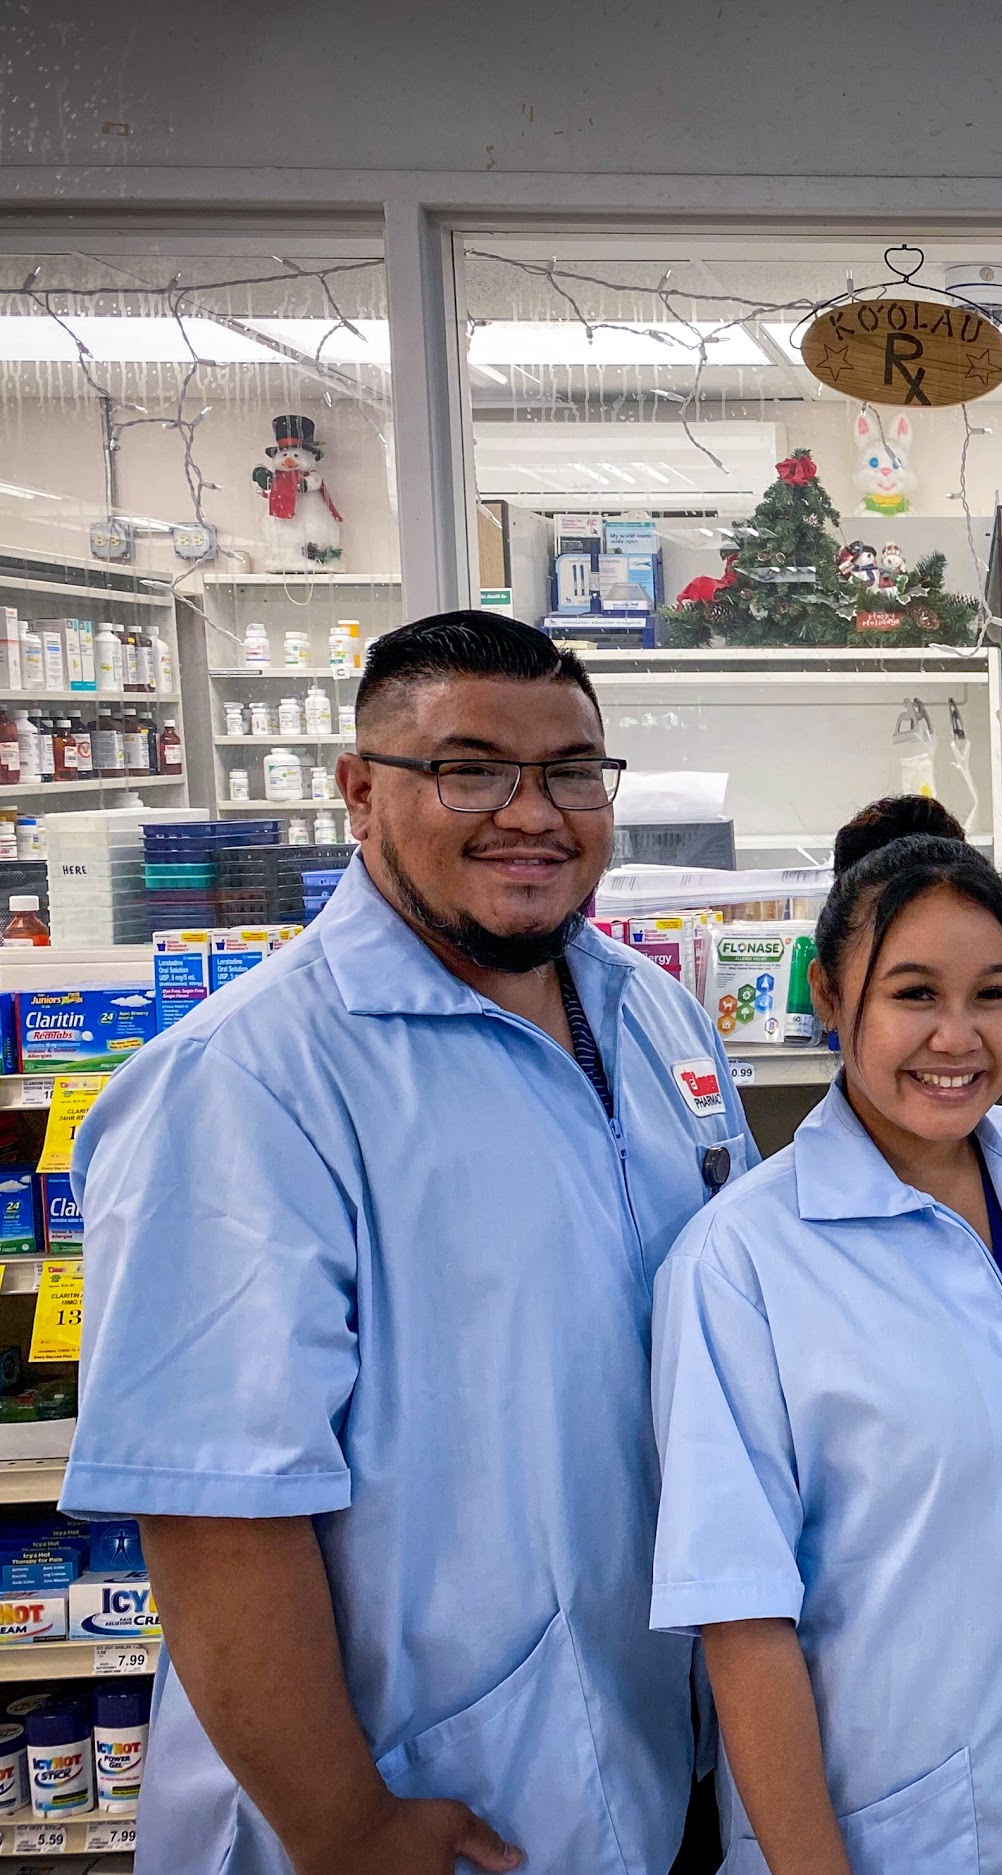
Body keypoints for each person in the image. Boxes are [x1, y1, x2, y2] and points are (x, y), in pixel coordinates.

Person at [61, 610, 757, 1875]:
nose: (533, 812)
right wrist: (346, 1828)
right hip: (404, 1794)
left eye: (571, 771)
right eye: (470, 767)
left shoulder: (653, 1016)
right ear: (359, 794)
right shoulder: (250, 1084)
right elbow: (218, 1513)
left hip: (646, 1746)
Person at [647, 795, 1002, 1875]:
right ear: (832, 999)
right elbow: (739, 1622)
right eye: (913, 995)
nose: (958, 1037)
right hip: (878, 1825)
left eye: (994, 995)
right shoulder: (744, 1262)